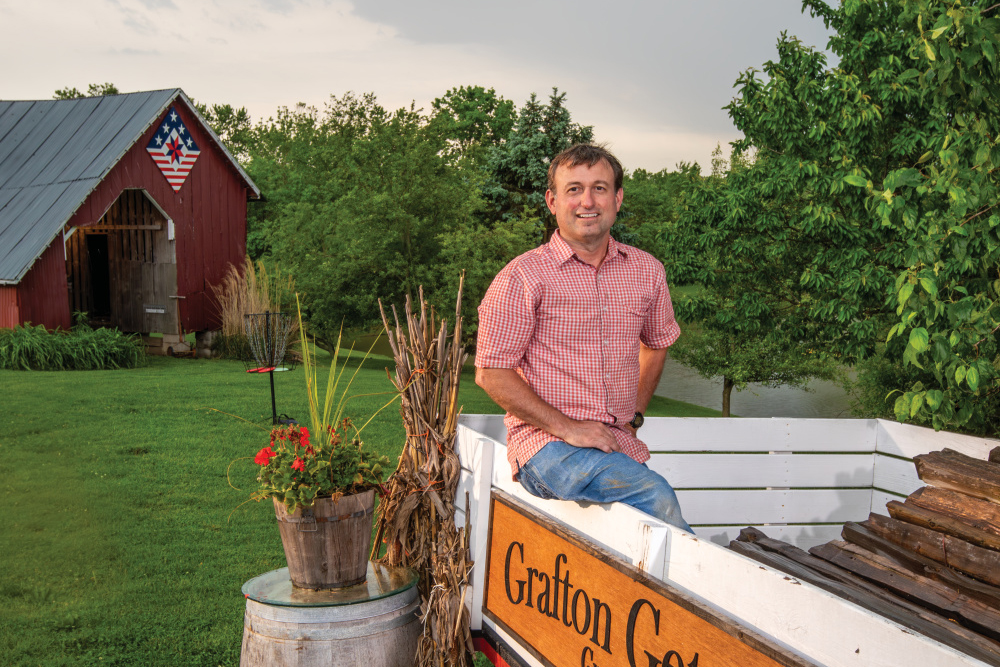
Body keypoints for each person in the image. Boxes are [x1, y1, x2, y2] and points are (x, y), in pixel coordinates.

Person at [475, 143, 692, 532]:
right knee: (655, 497)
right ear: (552, 200)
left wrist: (635, 415)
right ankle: (710, 591)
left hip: (614, 447)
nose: (587, 201)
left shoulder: (647, 272)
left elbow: (657, 342)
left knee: (636, 531)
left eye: (600, 188)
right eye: (573, 189)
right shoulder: (523, 276)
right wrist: (568, 428)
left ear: (618, 198)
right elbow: (492, 372)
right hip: (547, 449)